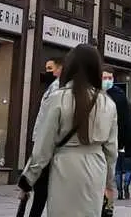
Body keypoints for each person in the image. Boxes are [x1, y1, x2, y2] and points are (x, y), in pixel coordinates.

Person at [19, 44, 117, 217]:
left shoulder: (58, 98)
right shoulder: (108, 103)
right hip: (96, 168)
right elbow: (111, 151)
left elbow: (43, 147)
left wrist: (28, 179)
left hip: (64, 166)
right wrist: (109, 184)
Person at [27, 58, 66, 217]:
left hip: (47, 143)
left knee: (42, 186)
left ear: (60, 68)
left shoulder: (59, 89)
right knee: (41, 187)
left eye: (50, 68)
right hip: (42, 140)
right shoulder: (52, 87)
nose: (47, 71)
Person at [100, 71, 131, 200]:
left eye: (110, 78)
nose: (107, 80)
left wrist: (125, 142)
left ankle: (108, 200)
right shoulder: (95, 94)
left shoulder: (119, 96)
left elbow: (124, 120)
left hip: (114, 140)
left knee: (112, 171)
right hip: (99, 140)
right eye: (105, 78)